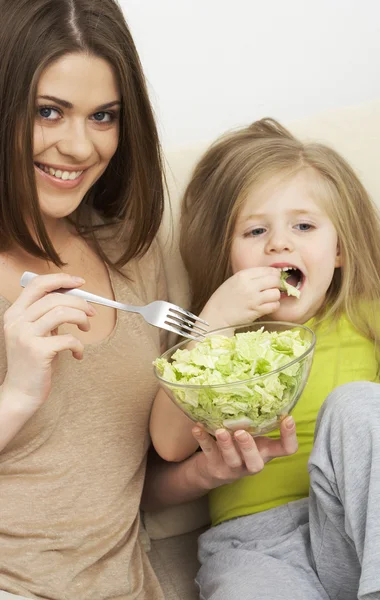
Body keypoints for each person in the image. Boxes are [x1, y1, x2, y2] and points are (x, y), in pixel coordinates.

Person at [149, 118, 380, 599]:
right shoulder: (212, 346)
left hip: (359, 534)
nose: (279, 244)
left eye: (303, 226)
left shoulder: (372, 321)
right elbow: (167, 445)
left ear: (340, 248)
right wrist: (214, 322)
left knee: (362, 405)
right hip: (255, 547)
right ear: (227, 258)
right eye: (255, 230)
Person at [0, 0, 173, 598]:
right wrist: (16, 392)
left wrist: (209, 468)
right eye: (48, 112)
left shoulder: (134, 254)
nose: (79, 147)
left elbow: (132, 477)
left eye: (103, 117)